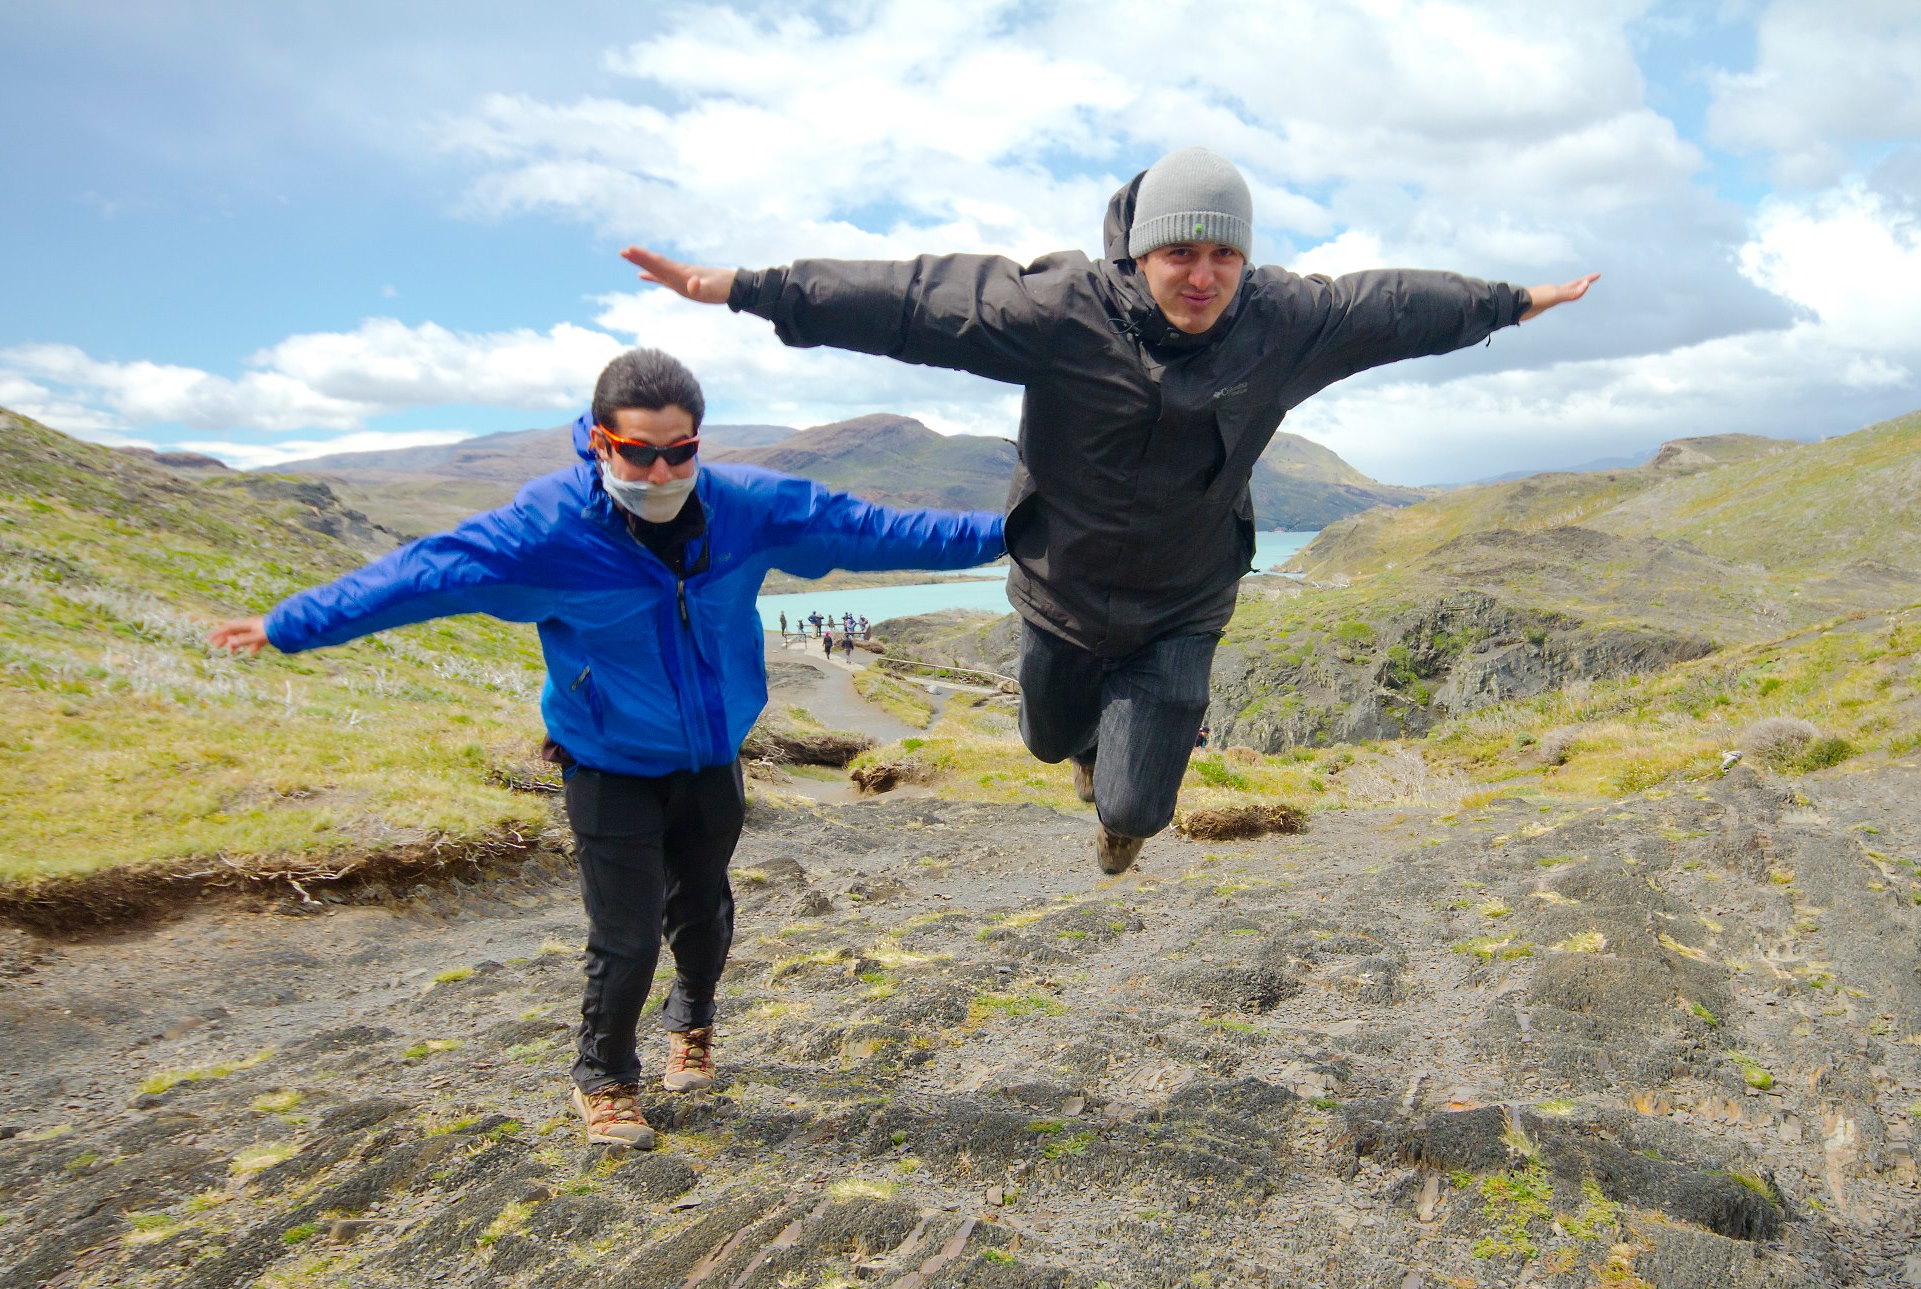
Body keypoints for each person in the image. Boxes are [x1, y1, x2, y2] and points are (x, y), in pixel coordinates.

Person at [622, 148, 1595, 874]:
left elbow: (1393, 307)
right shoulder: (1058, 314)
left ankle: (1118, 808)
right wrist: (752, 290)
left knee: (1136, 807)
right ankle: (1082, 752)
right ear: (1138, 254)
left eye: (1222, 254)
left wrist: (1508, 302)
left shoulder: (1283, 325)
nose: (1201, 276)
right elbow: (911, 303)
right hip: (1059, 589)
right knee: (1047, 738)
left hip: (1182, 599)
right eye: (1179, 252)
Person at [208, 348, 1002, 1149]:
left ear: (699, 441)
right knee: (623, 934)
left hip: (710, 757)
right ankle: (606, 1078)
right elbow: (423, 574)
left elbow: (883, 530)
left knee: (703, 910)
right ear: (599, 442)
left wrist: (1017, 533)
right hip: (606, 761)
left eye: (679, 451)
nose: (660, 473)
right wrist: (290, 624)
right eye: (638, 452)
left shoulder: (748, 509)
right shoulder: (548, 530)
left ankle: (692, 1022)